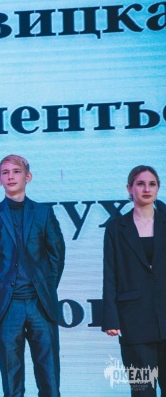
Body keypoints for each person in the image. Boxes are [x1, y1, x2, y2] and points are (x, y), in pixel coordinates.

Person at [0, 155, 65, 397]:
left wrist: (44, 287)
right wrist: (0, 293)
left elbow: (57, 256)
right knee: (12, 382)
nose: (11, 176)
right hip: (8, 306)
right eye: (5, 172)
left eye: (16, 171)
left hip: (40, 304)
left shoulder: (44, 213)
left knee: (49, 378)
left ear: (28, 177)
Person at [102, 165, 165, 396]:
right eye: (140, 184)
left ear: (158, 189)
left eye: (152, 184)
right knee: (142, 391)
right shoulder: (116, 228)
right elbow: (110, 273)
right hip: (134, 322)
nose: (147, 189)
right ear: (130, 188)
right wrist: (110, 318)